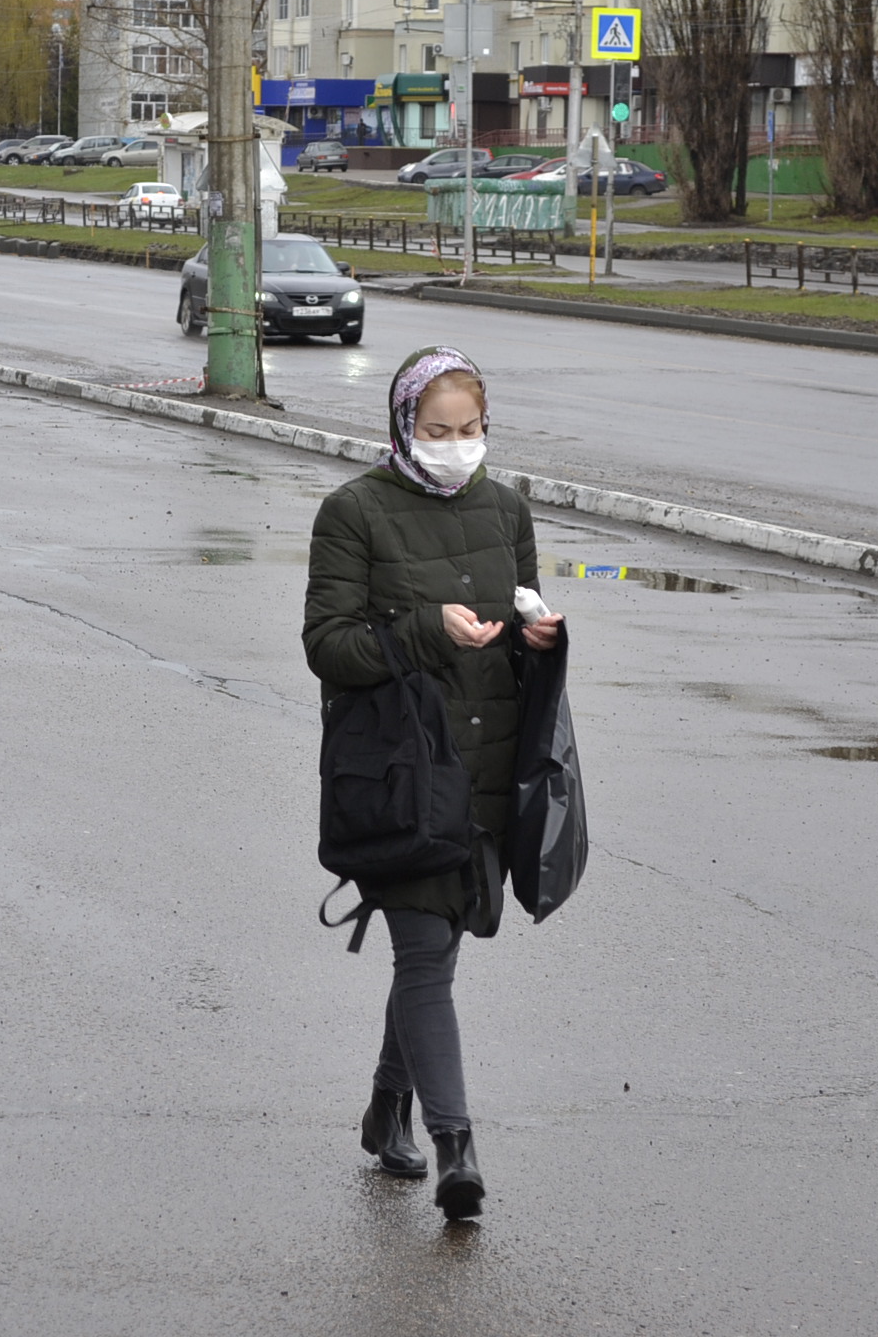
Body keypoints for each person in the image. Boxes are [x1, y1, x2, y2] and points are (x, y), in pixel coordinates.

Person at [303, 346, 565, 1223]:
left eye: (471, 430)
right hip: (402, 774)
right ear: (402, 426)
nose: (457, 446)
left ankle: (386, 1110)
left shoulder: (507, 508)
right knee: (422, 956)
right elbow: (327, 647)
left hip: (487, 772)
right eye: (437, 430)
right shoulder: (353, 513)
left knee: (434, 957)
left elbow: (523, 613)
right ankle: (457, 1144)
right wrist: (420, 629)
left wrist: (543, 642)